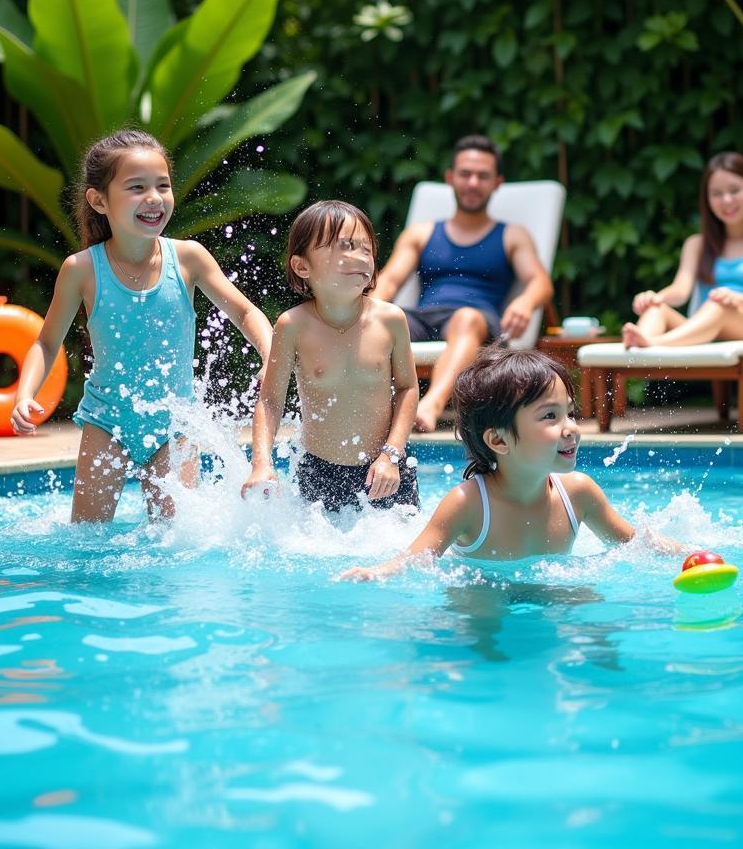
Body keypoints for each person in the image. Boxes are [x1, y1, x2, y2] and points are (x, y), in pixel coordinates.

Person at [11, 129, 273, 523]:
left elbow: (246, 313)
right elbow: (46, 344)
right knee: (88, 539)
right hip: (106, 422)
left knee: (176, 542)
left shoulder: (188, 259)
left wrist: (272, 355)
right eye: (137, 187)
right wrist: (24, 394)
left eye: (162, 186)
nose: (154, 198)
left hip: (173, 425)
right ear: (99, 200)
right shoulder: (81, 270)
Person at [341, 347, 677, 581]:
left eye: (569, 413)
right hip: (482, 595)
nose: (571, 428)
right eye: (550, 416)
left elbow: (637, 546)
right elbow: (414, 560)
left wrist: (689, 556)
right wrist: (377, 572)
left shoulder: (579, 493)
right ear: (498, 440)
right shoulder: (468, 504)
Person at [241, 200, 420, 512]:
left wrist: (392, 455)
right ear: (302, 266)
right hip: (320, 472)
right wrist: (261, 463)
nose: (362, 257)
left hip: (385, 469)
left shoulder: (390, 320)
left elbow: (407, 387)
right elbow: (270, 401)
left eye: (367, 249)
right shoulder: (293, 326)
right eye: (346, 246)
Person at [373, 135, 554, 432]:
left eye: (482, 176)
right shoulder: (422, 233)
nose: (472, 183)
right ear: (451, 179)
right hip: (423, 318)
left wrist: (526, 301)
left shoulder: (511, 235)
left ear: (497, 183)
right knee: (383, 320)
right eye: (465, 174)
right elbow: (389, 280)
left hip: (477, 323)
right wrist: (369, 313)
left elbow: (540, 282)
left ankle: (430, 406)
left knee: (466, 318)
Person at [623, 151, 743, 349]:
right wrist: (656, 298)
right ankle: (638, 349)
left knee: (720, 306)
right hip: (704, 329)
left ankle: (653, 343)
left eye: (735, 190)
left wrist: (735, 298)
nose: (727, 200)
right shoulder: (697, 244)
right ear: (708, 200)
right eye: (717, 194)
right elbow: (680, 290)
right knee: (656, 309)